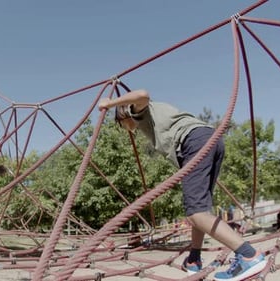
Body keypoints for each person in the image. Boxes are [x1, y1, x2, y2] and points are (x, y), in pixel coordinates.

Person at [98, 89, 266, 281]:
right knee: (201, 211)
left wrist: (109, 103)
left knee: (195, 213)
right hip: (212, 139)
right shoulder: (157, 114)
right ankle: (194, 258)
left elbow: (143, 94)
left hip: (194, 142)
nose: (125, 129)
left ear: (123, 115)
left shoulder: (140, 111)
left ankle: (249, 255)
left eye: (121, 125)